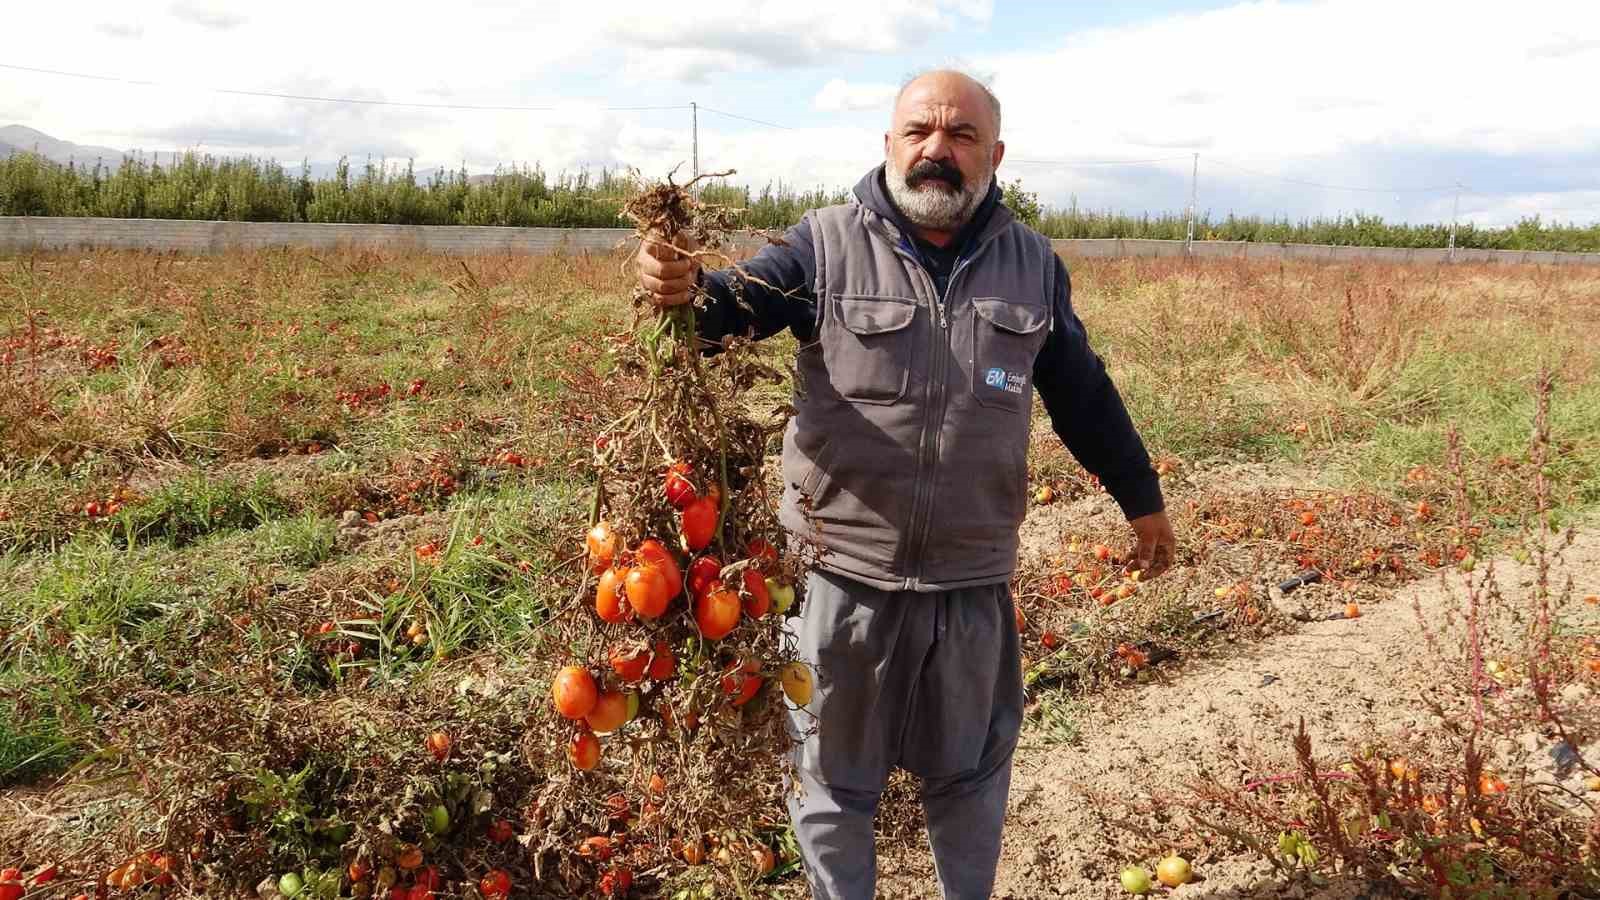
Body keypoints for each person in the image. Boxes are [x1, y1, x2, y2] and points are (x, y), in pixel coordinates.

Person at [635, 69, 1176, 900]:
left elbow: (1082, 394)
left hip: (970, 582)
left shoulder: (1032, 265)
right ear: (888, 145)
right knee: (830, 784)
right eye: (920, 132)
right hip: (838, 579)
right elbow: (733, 305)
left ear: (995, 154)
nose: (938, 151)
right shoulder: (822, 245)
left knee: (967, 781)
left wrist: (1142, 499)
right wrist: (687, 295)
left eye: (961, 136)